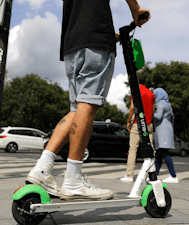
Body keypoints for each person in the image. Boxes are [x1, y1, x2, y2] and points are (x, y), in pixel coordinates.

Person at [25, 0, 150, 200]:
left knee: (76, 109)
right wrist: (136, 9)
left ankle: (42, 168)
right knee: (88, 104)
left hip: (72, 45)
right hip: (95, 42)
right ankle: (73, 180)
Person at [120, 74, 155, 183]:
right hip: (148, 124)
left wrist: (128, 121)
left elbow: (132, 108)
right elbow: (153, 110)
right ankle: (150, 176)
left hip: (137, 123)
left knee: (133, 149)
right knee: (150, 149)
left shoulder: (136, 91)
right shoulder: (151, 94)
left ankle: (129, 175)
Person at [153, 88, 178, 183]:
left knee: (164, 153)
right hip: (168, 128)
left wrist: (151, 113)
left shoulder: (160, 104)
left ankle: (173, 175)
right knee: (159, 154)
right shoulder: (168, 104)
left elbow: (158, 116)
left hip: (162, 130)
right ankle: (155, 176)